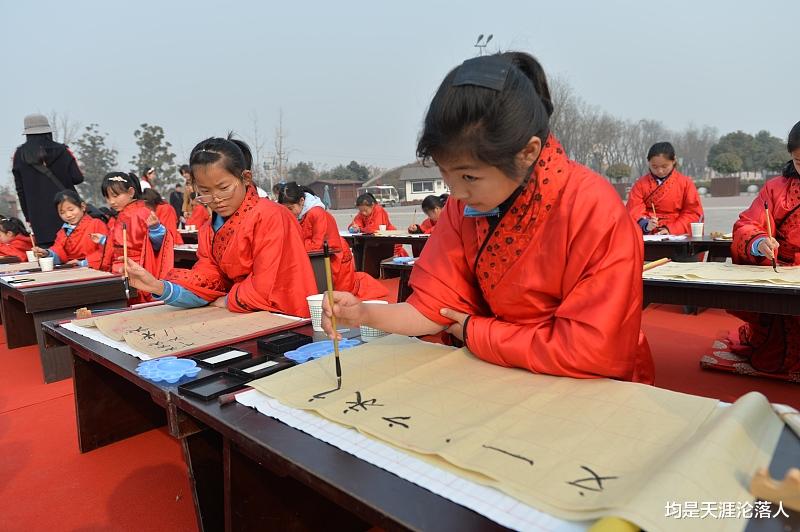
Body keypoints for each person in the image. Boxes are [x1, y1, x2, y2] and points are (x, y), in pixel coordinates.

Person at [322, 52, 653, 383]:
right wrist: (364, 313)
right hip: (502, 370)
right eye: (445, 175)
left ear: (527, 153)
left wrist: (475, 331)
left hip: (581, 382)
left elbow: (592, 350)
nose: (456, 194)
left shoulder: (593, 207)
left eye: (469, 177)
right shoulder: (463, 205)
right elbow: (434, 309)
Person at [125, 136, 317, 315]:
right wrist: (161, 287)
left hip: (283, 314)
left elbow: (270, 284)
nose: (216, 199)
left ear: (246, 178)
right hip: (240, 313)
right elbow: (208, 279)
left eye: (224, 188)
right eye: (205, 191)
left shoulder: (272, 216)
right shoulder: (210, 229)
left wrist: (227, 300)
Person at [721, 120, 800, 374]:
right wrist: (758, 242)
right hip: (785, 272)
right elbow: (747, 223)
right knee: (773, 358)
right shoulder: (776, 188)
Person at [278, 182, 388, 300]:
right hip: (319, 256)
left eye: (290, 208)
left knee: (342, 295)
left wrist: (294, 246)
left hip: (334, 255)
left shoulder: (316, 213)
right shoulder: (298, 214)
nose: (288, 213)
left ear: (301, 201)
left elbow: (317, 244)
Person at [96, 172, 174, 302]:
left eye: (115, 196)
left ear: (131, 192)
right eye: (107, 198)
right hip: (120, 269)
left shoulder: (142, 212)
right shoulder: (121, 214)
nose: (111, 202)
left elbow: (160, 243)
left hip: (138, 267)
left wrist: (155, 229)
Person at [11, 114, 84, 246]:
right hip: (68, 212)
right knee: (75, 252)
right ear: (48, 131)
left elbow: (20, 190)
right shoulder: (63, 150)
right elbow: (78, 178)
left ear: (27, 133)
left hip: (39, 219)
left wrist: (29, 217)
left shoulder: (19, 154)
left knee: (49, 257)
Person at [626, 142, 704, 235]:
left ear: (674, 160)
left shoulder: (686, 183)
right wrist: (646, 225)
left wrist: (671, 229)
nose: (660, 171)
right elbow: (634, 210)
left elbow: (692, 213)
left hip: (677, 232)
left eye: (664, 166)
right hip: (649, 232)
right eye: (654, 167)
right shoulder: (640, 185)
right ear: (648, 162)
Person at [32, 190, 107, 268]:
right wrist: (46, 253)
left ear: (83, 207)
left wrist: (83, 263)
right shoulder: (63, 232)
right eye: (62, 212)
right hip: (72, 269)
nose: (68, 215)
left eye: (71, 210)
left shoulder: (96, 224)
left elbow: (106, 250)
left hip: (93, 268)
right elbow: (59, 253)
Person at [348, 193, 408, 257]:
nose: (363, 213)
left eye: (365, 210)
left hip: (390, 241)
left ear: (372, 205)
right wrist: (354, 228)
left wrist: (360, 229)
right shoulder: (361, 213)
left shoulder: (379, 210)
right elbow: (355, 223)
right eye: (361, 210)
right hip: (374, 242)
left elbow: (375, 229)